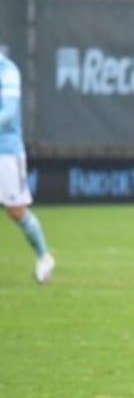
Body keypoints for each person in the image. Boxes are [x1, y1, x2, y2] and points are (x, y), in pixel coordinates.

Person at [0, 49, 54, 284]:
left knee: (16, 210)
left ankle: (44, 257)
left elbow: (9, 114)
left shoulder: (8, 71)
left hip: (6, 152)